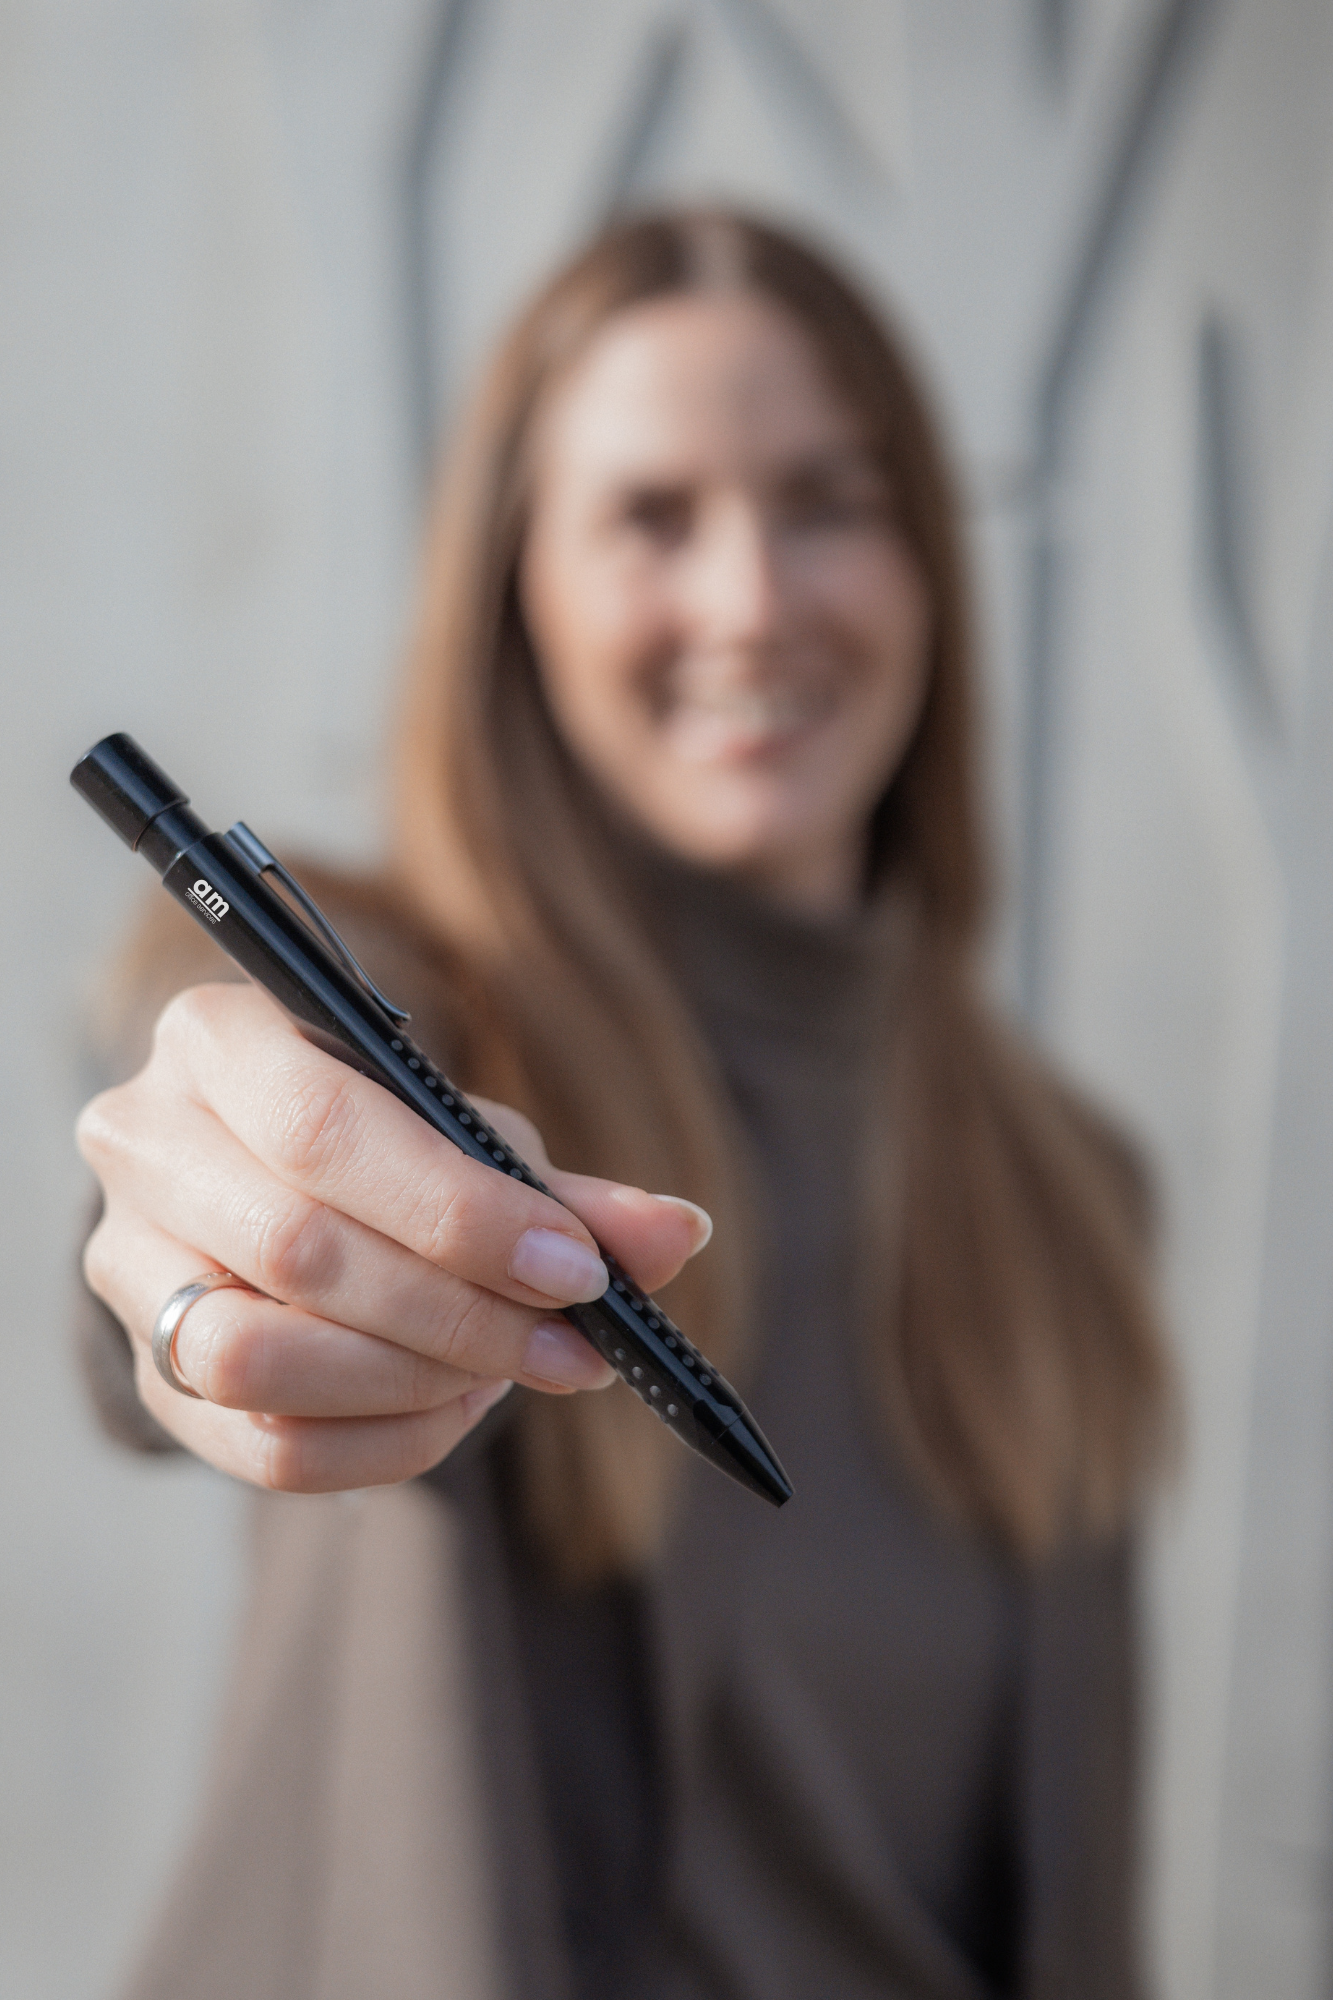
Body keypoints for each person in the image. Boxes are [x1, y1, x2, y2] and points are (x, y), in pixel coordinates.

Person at [76, 208, 1173, 2000]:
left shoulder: (1075, 1190)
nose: (749, 599)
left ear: (927, 566)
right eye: (651, 517)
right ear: (519, 592)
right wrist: (203, 1283)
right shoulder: (382, 1003)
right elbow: (172, 1181)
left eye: (825, 499)